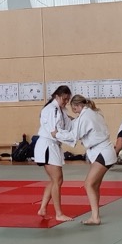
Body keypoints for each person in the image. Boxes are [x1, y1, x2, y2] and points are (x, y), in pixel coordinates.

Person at [57, 95, 115, 226]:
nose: (75, 112)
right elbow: (79, 123)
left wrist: (57, 134)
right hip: (105, 151)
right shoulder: (93, 112)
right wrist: (70, 120)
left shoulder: (86, 116)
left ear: (77, 106)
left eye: (74, 109)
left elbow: (74, 136)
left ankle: (95, 217)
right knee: (95, 185)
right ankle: (95, 214)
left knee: (88, 184)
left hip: (102, 152)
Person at [35, 85, 73, 221]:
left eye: (68, 100)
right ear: (57, 96)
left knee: (55, 180)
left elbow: (69, 124)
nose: (66, 102)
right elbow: (53, 132)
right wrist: (71, 139)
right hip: (47, 146)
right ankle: (58, 214)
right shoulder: (51, 109)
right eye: (64, 99)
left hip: (53, 146)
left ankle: (42, 208)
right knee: (57, 180)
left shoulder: (60, 110)